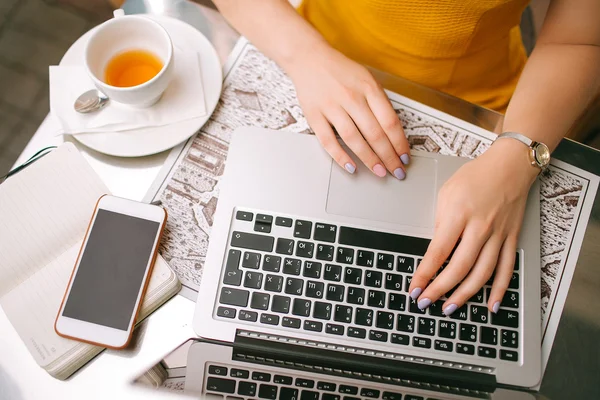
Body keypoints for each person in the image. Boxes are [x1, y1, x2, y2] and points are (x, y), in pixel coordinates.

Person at [213, 0, 600, 316]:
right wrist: (305, 56)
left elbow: (580, 41)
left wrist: (517, 155)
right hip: (309, 61)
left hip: (484, 117)